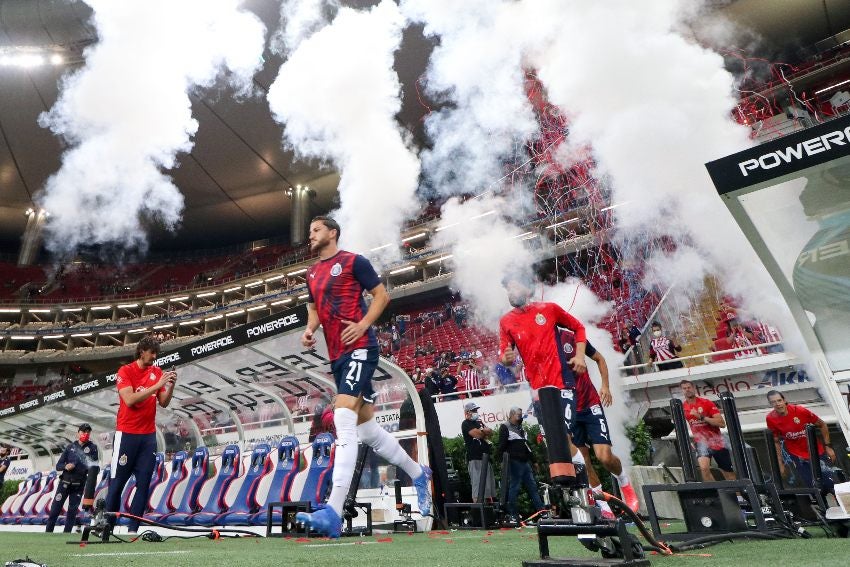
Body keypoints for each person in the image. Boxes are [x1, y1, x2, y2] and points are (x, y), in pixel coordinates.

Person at [296, 216, 431, 538]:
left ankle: (333, 511)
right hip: (338, 356)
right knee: (367, 430)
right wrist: (309, 329)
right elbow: (313, 308)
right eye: (310, 232)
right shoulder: (311, 273)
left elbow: (382, 296)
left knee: (342, 415)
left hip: (360, 347)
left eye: (316, 230)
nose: (310, 236)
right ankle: (419, 473)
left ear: (332, 233)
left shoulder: (354, 262)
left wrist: (364, 323)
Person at [498, 274, 590, 485]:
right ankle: (578, 495)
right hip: (538, 391)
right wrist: (506, 359)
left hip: (561, 384)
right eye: (507, 289)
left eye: (514, 285)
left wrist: (580, 356)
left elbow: (579, 327)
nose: (511, 292)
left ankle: (593, 493)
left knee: (563, 440)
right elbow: (504, 356)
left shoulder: (548, 309)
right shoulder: (506, 322)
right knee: (553, 444)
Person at [559, 328, 639, 515]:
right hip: (569, 410)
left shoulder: (571, 337)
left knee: (604, 457)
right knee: (582, 460)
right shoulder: (542, 346)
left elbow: (600, 359)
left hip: (590, 404)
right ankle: (603, 505)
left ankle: (624, 483)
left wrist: (605, 386)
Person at [104, 335, 177, 533]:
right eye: (151, 352)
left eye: (156, 353)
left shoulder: (157, 372)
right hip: (126, 434)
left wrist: (170, 386)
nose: (154, 356)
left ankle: (133, 530)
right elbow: (129, 400)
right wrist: (155, 385)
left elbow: (163, 402)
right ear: (141, 351)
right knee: (117, 483)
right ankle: (107, 528)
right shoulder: (125, 371)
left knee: (144, 483)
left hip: (148, 437)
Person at [765, 390, 836, 495]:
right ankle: (824, 509)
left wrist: (828, 447)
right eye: (774, 402)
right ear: (770, 404)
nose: (777, 404)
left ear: (784, 400)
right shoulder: (770, 419)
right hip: (798, 457)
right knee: (814, 489)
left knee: (832, 483)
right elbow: (776, 442)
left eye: (779, 400)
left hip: (817, 452)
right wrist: (780, 463)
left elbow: (822, 425)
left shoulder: (799, 411)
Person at [46, 423, 99, 533]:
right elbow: (58, 466)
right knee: (54, 510)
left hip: (78, 486)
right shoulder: (70, 447)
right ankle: (48, 533)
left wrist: (89, 469)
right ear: (78, 433)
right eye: (83, 431)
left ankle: (66, 534)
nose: (86, 434)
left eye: (88, 432)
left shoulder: (93, 448)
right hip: (64, 484)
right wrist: (66, 466)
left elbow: (95, 467)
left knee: (72, 512)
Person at [680, 380, 736, 481]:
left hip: (717, 441)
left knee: (728, 472)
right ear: (682, 391)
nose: (687, 390)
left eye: (689, 387)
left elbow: (722, 423)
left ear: (693, 388)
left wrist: (701, 417)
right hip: (701, 442)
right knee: (704, 469)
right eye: (684, 388)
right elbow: (681, 426)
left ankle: (739, 497)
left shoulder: (706, 403)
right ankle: (718, 493)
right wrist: (689, 441)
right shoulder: (682, 407)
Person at [497, 407, 545, 521]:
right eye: (518, 415)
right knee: (515, 487)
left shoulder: (520, 428)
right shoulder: (505, 427)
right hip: (514, 462)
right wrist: (501, 461)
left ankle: (542, 512)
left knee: (533, 487)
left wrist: (534, 461)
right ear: (512, 415)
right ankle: (513, 514)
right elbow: (501, 445)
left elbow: (526, 446)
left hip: (525, 463)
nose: (520, 417)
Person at [462, 401, 495, 502]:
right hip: (475, 459)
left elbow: (490, 432)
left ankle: (489, 511)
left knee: (488, 489)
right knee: (477, 488)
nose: (476, 412)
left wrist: (484, 432)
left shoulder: (478, 422)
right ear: (467, 412)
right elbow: (478, 435)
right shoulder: (466, 424)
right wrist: (484, 432)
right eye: (474, 410)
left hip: (485, 458)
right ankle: (479, 511)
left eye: (476, 410)